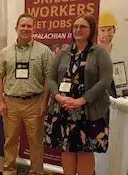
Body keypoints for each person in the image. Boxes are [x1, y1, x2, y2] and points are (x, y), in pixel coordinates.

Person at [45, 14, 112, 175]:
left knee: (85, 149)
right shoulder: (64, 52)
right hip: (64, 108)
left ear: (91, 30)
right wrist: (59, 97)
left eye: (82, 26)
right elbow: (51, 78)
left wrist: (82, 100)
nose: (78, 30)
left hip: (89, 111)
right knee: (66, 147)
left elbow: (105, 81)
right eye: (75, 26)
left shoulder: (99, 52)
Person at [0, 13, 53, 175]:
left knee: (36, 142)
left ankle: (36, 172)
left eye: (29, 26)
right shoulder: (5, 52)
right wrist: (0, 102)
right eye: (22, 26)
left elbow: (49, 79)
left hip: (35, 102)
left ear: (34, 28)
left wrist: (44, 102)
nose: (25, 28)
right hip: (11, 102)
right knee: (10, 141)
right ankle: (9, 171)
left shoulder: (44, 51)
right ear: (16, 28)